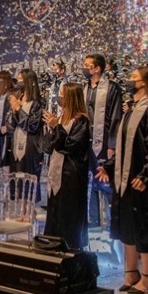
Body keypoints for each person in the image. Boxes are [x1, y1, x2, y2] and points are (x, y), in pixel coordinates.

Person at [96, 65, 148, 294]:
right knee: (127, 226)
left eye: (134, 77)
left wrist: (146, 174)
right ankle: (131, 273)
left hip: (142, 180)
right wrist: (108, 167)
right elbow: (122, 147)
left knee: (143, 227)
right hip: (124, 181)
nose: (129, 80)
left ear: (144, 82)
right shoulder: (131, 111)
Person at [42, 83, 90, 249]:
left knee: (68, 217)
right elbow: (50, 146)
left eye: (62, 94)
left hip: (70, 177)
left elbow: (71, 146)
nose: (59, 97)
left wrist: (57, 128)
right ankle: (52, 247)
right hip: (56, 174)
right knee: (55, 214)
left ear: (71, 97)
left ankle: (70, 250)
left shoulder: (82, 121)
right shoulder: (62, 118)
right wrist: (52, 128)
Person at [83, 54, 123, 229]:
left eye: (88, 65)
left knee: (105, 181)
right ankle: (94, 220)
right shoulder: (85, 87)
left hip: (105, 141)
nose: (85, 68)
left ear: (97, 68)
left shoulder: (112, 88)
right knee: (91, 180)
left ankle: (113, 221)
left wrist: (112, 144)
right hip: (88, 141)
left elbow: (116, 117)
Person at [7, 68, 44, 202]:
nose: (18, 82)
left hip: (30, 148)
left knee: (28, 183)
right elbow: (11, 127)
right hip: (16, 146)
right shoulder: (19, 99)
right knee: (17, 181)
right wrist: (13, 111)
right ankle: (19, 206)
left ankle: (29, 209)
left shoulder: (36, 103)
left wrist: (18, 109)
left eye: (21, 79)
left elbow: (32, 125)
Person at [0, 70, 14, 169]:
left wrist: (7, 125)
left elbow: (12, 111)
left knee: (5, 156)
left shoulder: (10, 93)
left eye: (0, 79)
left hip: (5, 129)